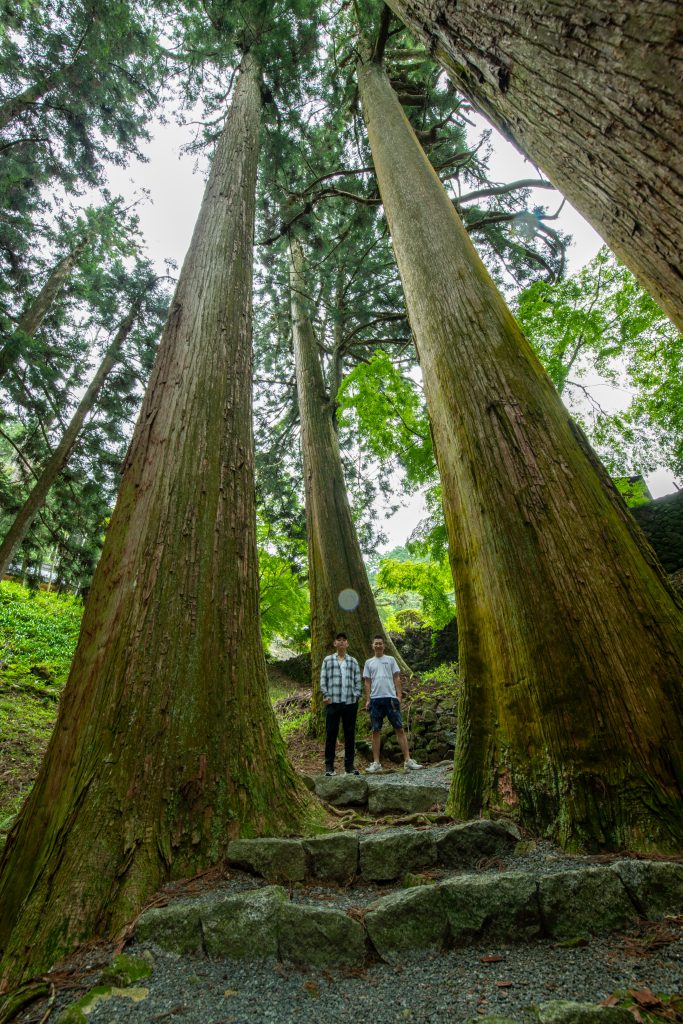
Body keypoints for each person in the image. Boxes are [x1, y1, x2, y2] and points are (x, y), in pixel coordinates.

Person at [363, 635, 422, 773]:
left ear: (384, 645)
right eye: (376, 643)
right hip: (375, 699)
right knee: (376, 731)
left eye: (380, 643)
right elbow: (367, 682)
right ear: (373, 645)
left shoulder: (391, 660)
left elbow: (396, 677)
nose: (378, 646)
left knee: (399, 728)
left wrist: (399, 695)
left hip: (390, 698)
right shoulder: (369, 662)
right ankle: (376, 763)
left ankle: (408, 760)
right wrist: (368, 699)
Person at [319, 632, 362, 776]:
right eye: (339, 640)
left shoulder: (353, 661)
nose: (342, 642)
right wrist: (326, 695)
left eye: (344, 640)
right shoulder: (328, 660)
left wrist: (356, 695)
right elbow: (323, 679)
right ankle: (329, 767)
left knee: (350, 734)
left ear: (347, 644)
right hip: (333, 702)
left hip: (350, 703)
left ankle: (349, 766)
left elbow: (358, 680)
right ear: (335, 643)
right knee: (331, 733)